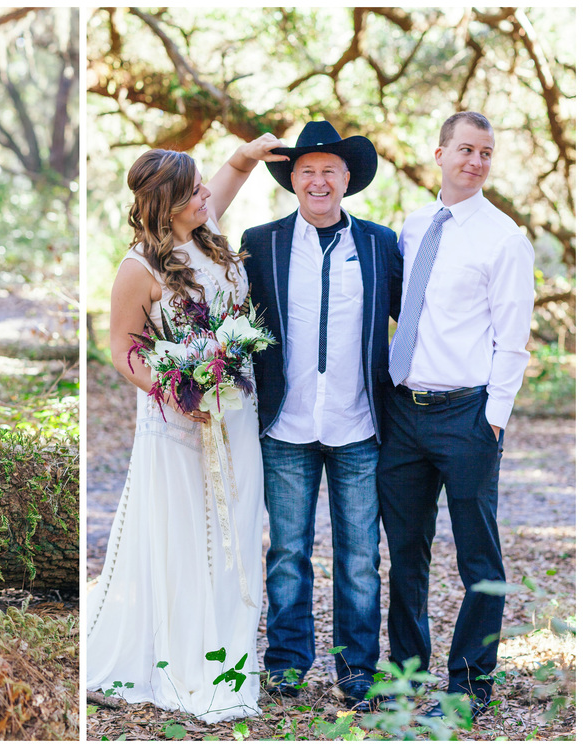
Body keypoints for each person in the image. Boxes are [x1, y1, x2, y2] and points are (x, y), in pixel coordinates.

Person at [86, 135, 288, 723]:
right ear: (167, 203)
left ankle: (230, 655)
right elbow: (122, 348)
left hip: (237, 412)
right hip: (178, 421)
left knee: (239, 527)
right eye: (194, 189)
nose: (207, 193)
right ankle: (184, 660)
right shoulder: (139, 267)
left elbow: (232, 171)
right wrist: (174, 389)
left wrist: (256, 151)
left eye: (204, 185)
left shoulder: (209, 233)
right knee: (187, 536)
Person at [240, 121, 402, 711]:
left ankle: (358, 668)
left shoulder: (382, 243)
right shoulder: (262, 243)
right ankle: (286, 665)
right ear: (292, 180)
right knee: (287, 551)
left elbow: (409, 324)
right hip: (286, 424)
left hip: (360, 424)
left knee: (360, 556)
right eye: (306, 170)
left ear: (347, 178)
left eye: (328, 169)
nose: (317, 180)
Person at [377, 112, 534, 720]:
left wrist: (493, 419)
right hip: (404, 412)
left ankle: (469, 684)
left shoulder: (504, 238)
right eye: (465, 149)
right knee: (406, 550)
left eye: (486, 153)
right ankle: (406, 675)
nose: (475, 161)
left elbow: (513, 340)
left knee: (478, 557)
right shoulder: (414, 227)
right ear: (439, 152)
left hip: (467, 415)